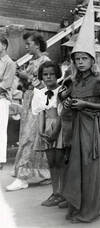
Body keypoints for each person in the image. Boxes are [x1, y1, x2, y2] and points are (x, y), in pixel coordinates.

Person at [62, 0, 100, 222]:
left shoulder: (99, 79)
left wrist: (86, 105)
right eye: (77, 58)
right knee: (74, 167)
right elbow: (67, 100)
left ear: (92, 60)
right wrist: (67, 103)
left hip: (90, 127)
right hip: (73, 126)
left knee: (88, 168)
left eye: (84, 58)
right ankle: (75, 206)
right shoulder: (72, 80)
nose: (81, 62)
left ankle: (89, 210)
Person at [6, 32, 51, 191]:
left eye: (28, 44)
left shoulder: (45, 61)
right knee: (27, 136)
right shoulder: (33, 61)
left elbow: (47, 85)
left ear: (37, 45)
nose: (26, 47)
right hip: (28, 100)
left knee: (30, 138)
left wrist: (27, 77)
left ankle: (23, 178)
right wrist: (22, 78)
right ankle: (42, 174)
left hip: (37, 102)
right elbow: (28, 84)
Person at [32, 61, 66, 207]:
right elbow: (40, 113)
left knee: (60, 161)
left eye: (52, 74)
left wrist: (55, 131)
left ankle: (64, 193)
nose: (48, 77)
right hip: (47, 127)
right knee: (51, 162)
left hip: (60, 127)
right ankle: (55, 192)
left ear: (57, 75)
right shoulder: (39, 93)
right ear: (41, 76)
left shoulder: (62, 91)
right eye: (45, 74)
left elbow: (61, 114)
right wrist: (40, 131)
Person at [0, 37, 16, 170]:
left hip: (2, 99)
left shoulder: (9, 63)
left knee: (1, 129)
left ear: (4, 45)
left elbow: (6, 84)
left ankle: (1, 159)